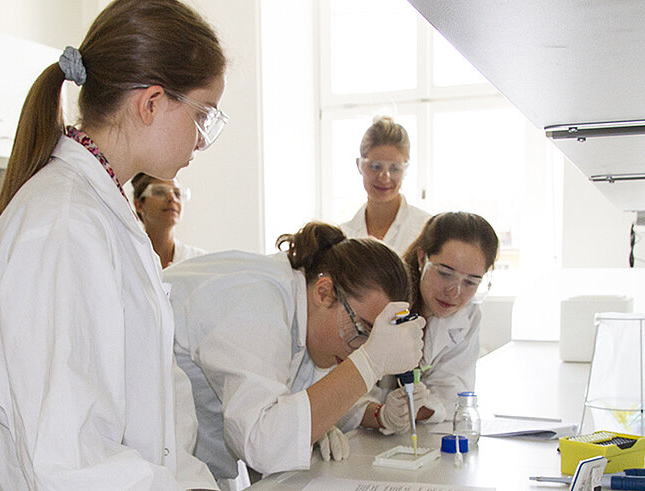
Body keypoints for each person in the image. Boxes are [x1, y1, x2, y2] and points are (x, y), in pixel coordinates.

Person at [0, 0, 228, 488]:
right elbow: (71, 461)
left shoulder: (102, 212)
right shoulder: (63, 225)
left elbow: (159, 424)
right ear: (151, 103)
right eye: (203, 115)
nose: (201, 141)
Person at [163, 222, 425, 484]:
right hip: (151, 462)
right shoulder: (258, 301)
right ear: (324, 293)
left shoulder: (303, 318)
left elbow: (307, 393)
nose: (358, 347)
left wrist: (374, 415)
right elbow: (262, 442)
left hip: (188, 463)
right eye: (363, 330)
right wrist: (371, 361)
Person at [355, 212, 499, 435]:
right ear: (422, 259)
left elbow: (455, 394)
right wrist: (382, 414)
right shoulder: (384, 301)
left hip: (409, 436)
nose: (455, 291)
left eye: (471, 282)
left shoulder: (468, 315)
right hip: (357, 435)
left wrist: (415, 409)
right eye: (444, 273)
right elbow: (346, 389)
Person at [340, 116, 431, 255]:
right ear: (359, 165)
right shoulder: (344, 234)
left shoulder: (425, 229)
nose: (384, 178)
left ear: (406, 170)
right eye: (375, 167)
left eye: (394, 168)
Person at [132, 172, 206, 268]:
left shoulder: (199, 261)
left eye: (177, 193)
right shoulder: (127, 259)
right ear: (139, 205)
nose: (172, 198)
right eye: (160, 192)